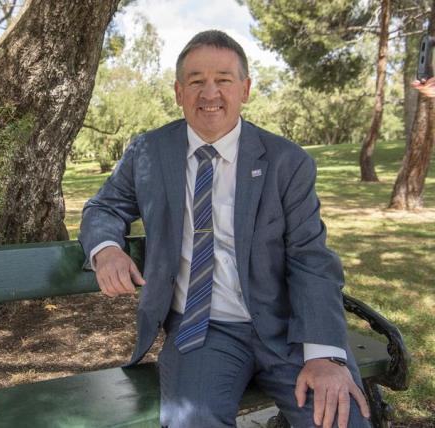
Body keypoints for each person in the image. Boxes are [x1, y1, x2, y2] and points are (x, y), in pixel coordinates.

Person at [79, 30, 371, 428]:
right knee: (193, 420)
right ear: (179, 92)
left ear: (245, 90)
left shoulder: (287, 162)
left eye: (223, 80)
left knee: (339, 419)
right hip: (202, 329)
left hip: (288, 329)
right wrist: (107, 249)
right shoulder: (149, 151)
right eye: (196, 81)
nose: (210, 93)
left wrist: (323, 355)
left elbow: (311, 258)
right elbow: (104, 206)